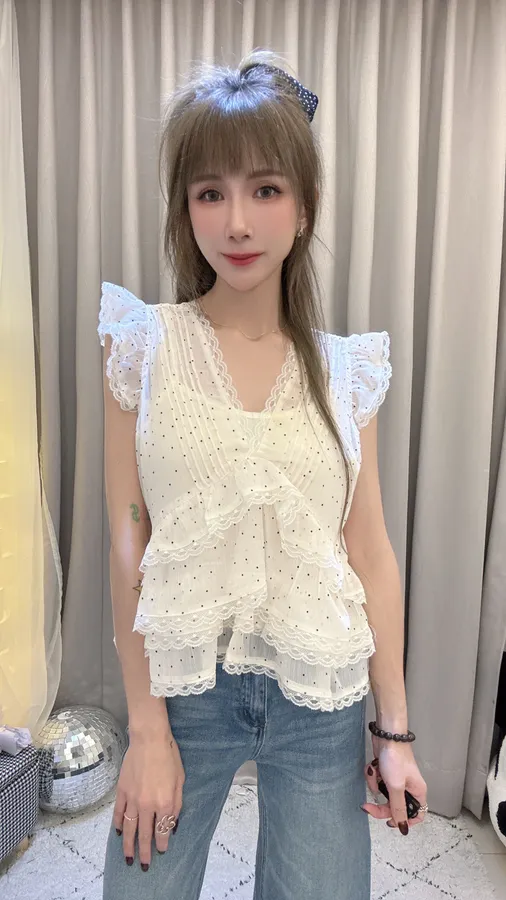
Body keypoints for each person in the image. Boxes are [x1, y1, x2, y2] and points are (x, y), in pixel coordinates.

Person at [98, 48, 428, 900]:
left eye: (266, 189)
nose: (237, 223)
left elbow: (369, 551)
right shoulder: (142, 346)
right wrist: (146, 732)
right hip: (184, 691)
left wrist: (394, 731)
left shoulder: (347, 372)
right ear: (186, 209)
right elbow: (128, 538)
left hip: (318, 694)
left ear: (304, 206)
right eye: (210, 193)